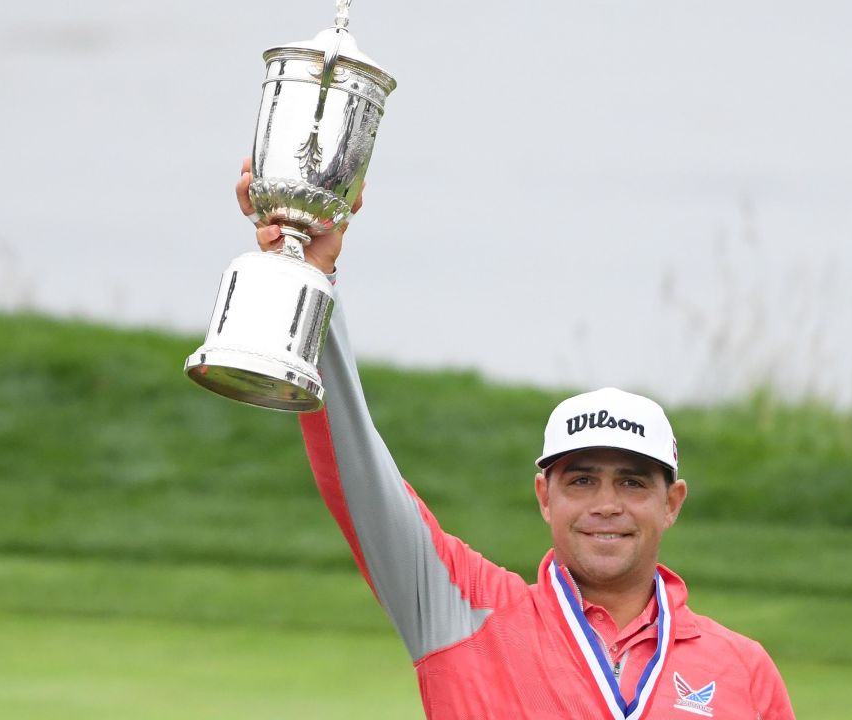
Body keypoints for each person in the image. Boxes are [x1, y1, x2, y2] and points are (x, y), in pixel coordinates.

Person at [237, 160, 796, 719]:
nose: (606, 505)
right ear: (544, 495)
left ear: (670, 503)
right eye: (580, 480)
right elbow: (360, 479)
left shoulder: (743, 670)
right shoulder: (462, 611)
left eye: (632, 482)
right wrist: (314, 277)